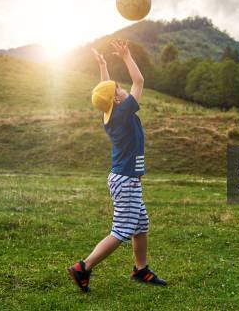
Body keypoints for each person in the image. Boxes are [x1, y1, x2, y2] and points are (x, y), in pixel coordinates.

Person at [68, 39, 167, 292]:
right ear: (118, 99)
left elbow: (105, 91)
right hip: (126, 180)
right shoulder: (123, 113)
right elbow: (139, 81)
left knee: (141, 225)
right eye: (119, 90)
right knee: (122, 230)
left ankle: (140, 270)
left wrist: (103, 66)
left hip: (123, 178)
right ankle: (83, 267)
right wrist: (126, 56)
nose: (123, 90)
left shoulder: (110, 114)